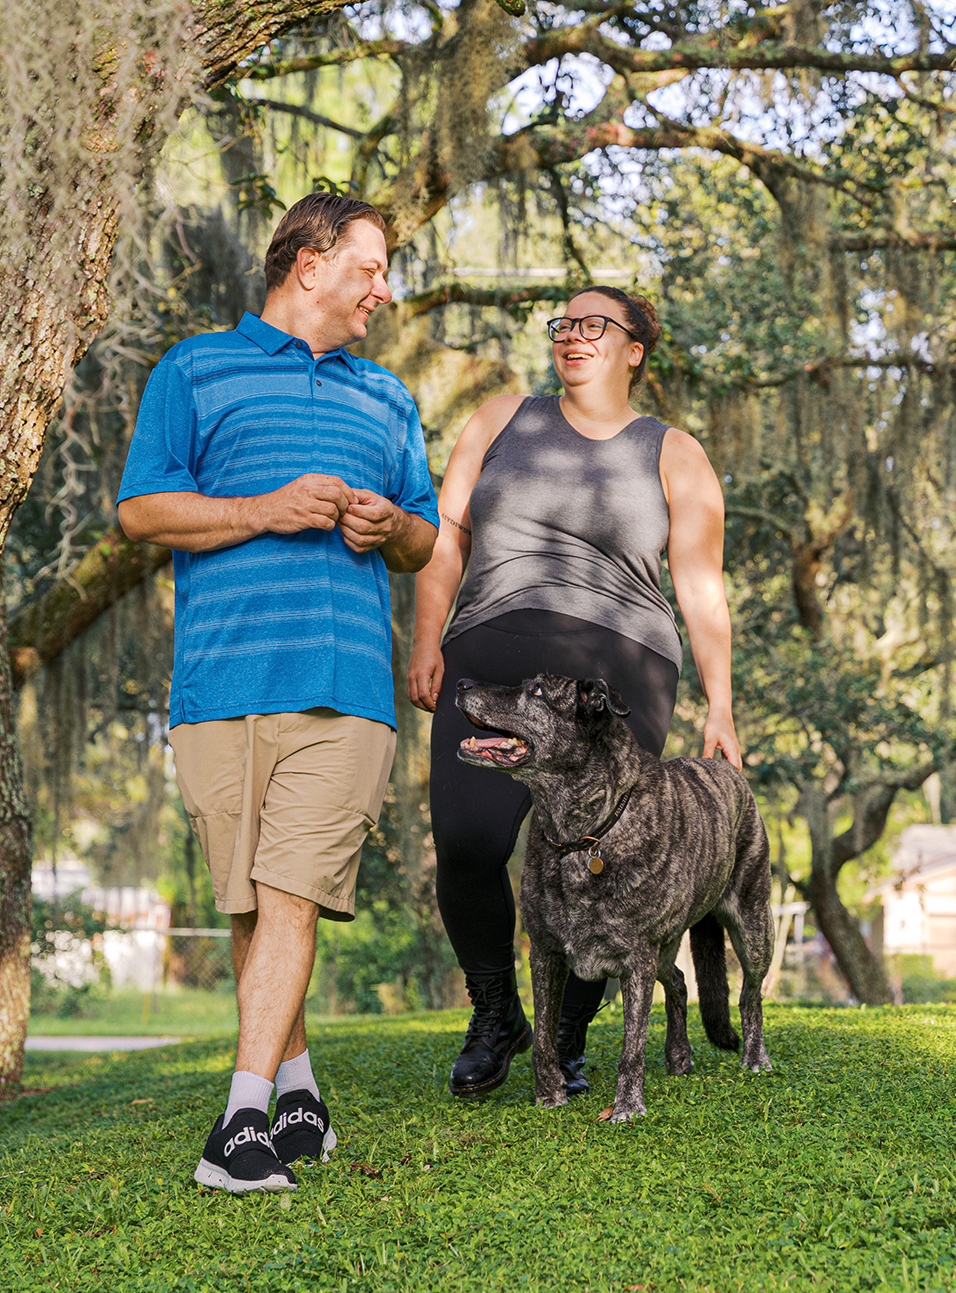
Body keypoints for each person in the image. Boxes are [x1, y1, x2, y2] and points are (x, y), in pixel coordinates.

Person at [116, 193, 438, 1193]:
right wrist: (258, 509)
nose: (383, 291)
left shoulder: (387, 398)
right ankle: (297, 1095)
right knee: (255, 904)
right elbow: (140, 511)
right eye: (370, 268)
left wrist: (391, 527)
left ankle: (240, 1129)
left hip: (343, 689)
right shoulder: (193, 370)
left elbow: (427, 540)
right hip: (218, 685)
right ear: (309, 261)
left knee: (291, 892)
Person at [408, 285, 741, 1100]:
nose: (573, 335)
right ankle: (495, 1010)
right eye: (562, 324)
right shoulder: (499, 419)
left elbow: (700, 587)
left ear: (635, 350)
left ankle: (568, 1033)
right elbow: (444, 534)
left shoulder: (674, 453)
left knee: (604, 865)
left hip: (619, 661)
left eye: (595, 324)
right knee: (469, 841)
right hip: (494, 637)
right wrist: (424, 637)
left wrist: (721, 703)